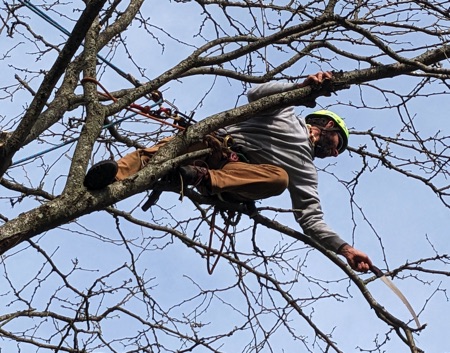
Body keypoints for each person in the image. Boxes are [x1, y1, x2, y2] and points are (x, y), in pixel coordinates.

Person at [83, 72, 372, 273]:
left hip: (231, 175)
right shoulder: (284, 112)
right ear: (327, 126)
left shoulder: (306, 171)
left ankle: (195, 177)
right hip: (215, 145)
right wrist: (300, 90)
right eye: (338, 145)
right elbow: (256, 93)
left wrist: (344, 249)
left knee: (280, 179)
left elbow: (310, 218)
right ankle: (112, 177)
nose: (334, 153)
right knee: (165, 149)